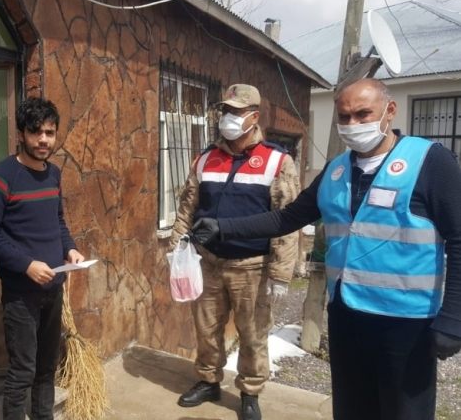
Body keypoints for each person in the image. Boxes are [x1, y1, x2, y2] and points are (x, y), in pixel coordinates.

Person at [192, 78, 461, 420]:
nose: (352, 125)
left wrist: (454, 318)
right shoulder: (335, 171)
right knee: (351, 407)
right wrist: (223, 227)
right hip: (348, 316)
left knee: (402, 412)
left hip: (406, 323)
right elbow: (286, 218)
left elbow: (458, 238)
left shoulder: (430, 163)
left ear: (390, 111)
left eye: (363, 114)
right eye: (344, 116)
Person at [172, 84, 300, 420]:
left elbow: (288, 218)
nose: (227, 118)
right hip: (208, 262)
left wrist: (281, 272)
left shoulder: (277, 161)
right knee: (206, 328)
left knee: (252, 333)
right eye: (225, 111)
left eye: (236, 112)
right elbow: (187, 207)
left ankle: (249, 392)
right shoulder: (205, 158)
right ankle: (208, 381)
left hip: (252, 267)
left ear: (254, 117)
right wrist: (176, 248)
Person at [0, 97, 84, 420]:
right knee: (22, 371)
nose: (44, 140)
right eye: (35, 132)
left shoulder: (53, 174)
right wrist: (26, 265)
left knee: (46, 368)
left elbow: (58, 221)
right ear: (21, 133)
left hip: (53, 291)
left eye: (50, 132)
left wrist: (71, 248)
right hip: (21, 294)